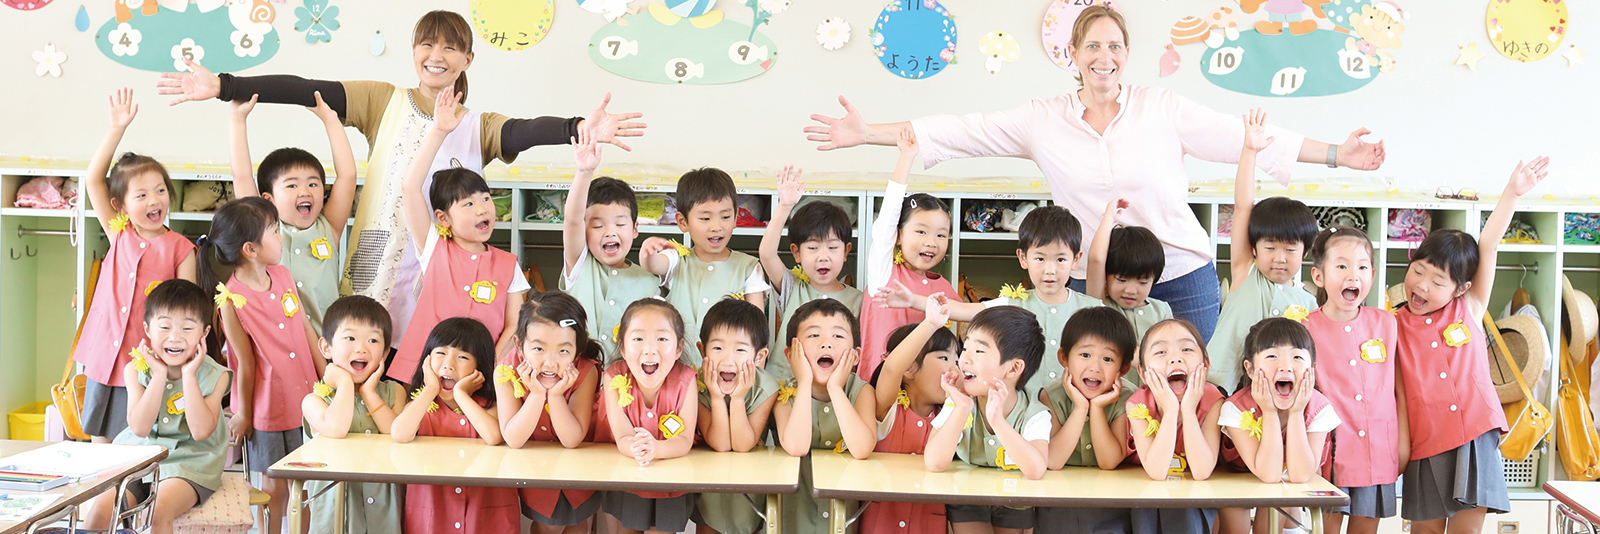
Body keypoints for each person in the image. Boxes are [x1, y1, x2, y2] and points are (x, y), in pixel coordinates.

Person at [803, 5, 1386, 341]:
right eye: (1093, 47)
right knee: (1105, 398)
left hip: (1181, 274)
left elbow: (1248, 137)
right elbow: (959, 130)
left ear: (1125, 54)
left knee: (1192, 395)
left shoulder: (1163, 107)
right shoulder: (1042, 119)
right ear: (1073, 55)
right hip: (1091, 277)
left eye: (1115, 47)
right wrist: (867, 132)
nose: (1104, 57)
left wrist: (1339, 153)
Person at [158, 10, 645, 348]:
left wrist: (577, 128)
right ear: (414, 50)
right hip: (375, 262)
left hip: (443, 273)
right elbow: (308, 89)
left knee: (428, 369)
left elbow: (526, 130)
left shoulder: (478, 125)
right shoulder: (382, 100)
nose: (437, 54)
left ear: (468, 60)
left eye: (451, 47)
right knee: (364, 360)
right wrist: (225, 85)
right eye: (427, 44)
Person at [1395, 157, 1548, 533]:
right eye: (1418, 271)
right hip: (1426, 441)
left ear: (1460, 288)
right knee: (1425, 531)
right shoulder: (1391, 324)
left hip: (1475, 436)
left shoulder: (1470, 307)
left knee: (1468, 530)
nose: (1422, 286)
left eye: (1437, 281)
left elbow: (1489, 245)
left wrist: (1512, 193)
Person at [73, 88, 198, 446]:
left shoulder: (181, 248)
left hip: (147, 359)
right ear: (121, 206)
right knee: (100, 441)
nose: (154, 200)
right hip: (105, 354)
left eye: (160, 191)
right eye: (141, 195)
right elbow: (93, 179)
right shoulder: (119, 233)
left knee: (139, 441)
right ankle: (101, 485)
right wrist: (117, 129)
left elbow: (188, 309)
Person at [877, 204, 1099, 396]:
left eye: (1060, 259)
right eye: (1040, 258)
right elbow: (962, 310)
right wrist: (912, 300)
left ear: (1076, 260)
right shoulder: (1012, 304)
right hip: (1022, 411)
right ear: (1023, 258)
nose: (1050, 270)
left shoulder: (1093, 310)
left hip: (1073, 407)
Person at [200, 197, 324, 534]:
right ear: (250, 249)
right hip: (268, 409)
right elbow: (245, 362)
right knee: (274, 487)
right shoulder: (231, 300)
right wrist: (243, 414)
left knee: (303, 484)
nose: (280, 237)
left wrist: (326, 376)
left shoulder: (282, 275)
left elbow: (306, 329)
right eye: (274, 231)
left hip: (306, 400)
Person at [388, 88, 530, 380]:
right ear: (443, 218)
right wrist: (439, 131)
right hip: (423, 373)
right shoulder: (434, 247)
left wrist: (489, 371)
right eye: (468, 204)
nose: (482, 209)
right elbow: (409, 188)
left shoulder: (508, 265)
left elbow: (514, 325)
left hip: (479, 378)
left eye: (486, 199)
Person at [81, 280, 230, 534]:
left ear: (204, 333)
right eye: (165, 327)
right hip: (139, 458)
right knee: (100, 512)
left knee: (158, 510)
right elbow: (139, 428)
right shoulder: (135, 369)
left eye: (187, 328)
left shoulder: (216, 375)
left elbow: (201, 431)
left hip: (191, 463)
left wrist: (189, 376)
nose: (175, 337)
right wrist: (159, 375)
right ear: (147, 329)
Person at [227, 91, 358, 334]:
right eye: (292, 185)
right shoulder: (262, 230)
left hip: (326, 344)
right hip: (280, 345)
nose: (305, 191)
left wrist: (330, 120)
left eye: (313, 183)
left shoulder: (328, 226)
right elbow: (242, 176)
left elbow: (348, 176)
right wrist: (238, 119)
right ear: (268, 199)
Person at [1209, 109, 1320, 390]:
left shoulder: (1309, 304)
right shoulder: (1245, 272)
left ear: (1305, 252)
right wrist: (1250, 152)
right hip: (1222, 390)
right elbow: (1243, 206)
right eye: (1270, 247)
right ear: (1254, 249)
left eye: (1290, 250)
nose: (1279, 258)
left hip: (1275, 398)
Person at [1302, 226, 1403, 533]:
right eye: (1342, 266)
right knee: (1327, 527)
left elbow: (1400, 390)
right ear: (1319, 276)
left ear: (1372, 275)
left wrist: (1405, 445)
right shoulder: (1304, 328)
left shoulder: (1387, 323)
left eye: (1361, 267)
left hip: (1378, 451)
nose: (1353, 275)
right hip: (1329, 453)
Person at [925, 306, 1051, 534]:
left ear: (1014, 368)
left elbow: (1035, 469)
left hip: (1016, 498)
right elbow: (934, 462)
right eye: (965, 348)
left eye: (979, 351)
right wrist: (961, 408)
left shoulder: (1035, 413)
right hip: (966, 494)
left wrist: (998, 421)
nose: (965, 359)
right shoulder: (959, 402)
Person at [393, 317, 517, 532]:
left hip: (485, 515)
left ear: (480, 366)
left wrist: (461, 395)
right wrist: (430, 389)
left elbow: (493, 436)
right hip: (434, 515)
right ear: (427, 360)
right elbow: (399, 433)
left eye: (462, 357)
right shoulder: (422, 405)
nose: (448, 364)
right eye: (440, 353)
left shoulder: (491, 405)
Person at [1218, 318, 1340, 534]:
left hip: (1286, 480)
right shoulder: (1236, 408)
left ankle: (1292, 520)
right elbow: (1269, 473)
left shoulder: (1319, 408)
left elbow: (1300, 475)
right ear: (1250, 368)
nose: (1285, 366)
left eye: (1297, 357)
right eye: (1272, 356)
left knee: (1282, 498)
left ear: (1312, 369)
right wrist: (1269, 411)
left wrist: (1296, 412)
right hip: (1237, 479)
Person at [640, 167, 770, 368]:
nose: (716, 226)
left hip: (730, 373)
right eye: (705, 218)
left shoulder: (748, 266)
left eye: (725, 217)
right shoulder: (678, 259)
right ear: (683, 222)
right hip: (679, 372)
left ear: (736, 218)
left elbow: (758, 331)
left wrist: (755, 376)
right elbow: (654, 265)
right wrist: (648, 251)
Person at [497, 291, 604, 534]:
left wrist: (555, 396)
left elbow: (572, 439)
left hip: (578, 469)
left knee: (579, 525)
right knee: (547, 527)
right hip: (536, 469)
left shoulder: (586, 371)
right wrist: (537, 395)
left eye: (563, 351)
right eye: (539, 349)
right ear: (519, 345)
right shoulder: (505, 371)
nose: (550, 363)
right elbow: (513, 438)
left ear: (577, 351)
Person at [858, 129, 960, 379]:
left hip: (926, 391)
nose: (931, 242)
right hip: (877, 385)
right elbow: (886, 220)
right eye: (921, 231)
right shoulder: (884, 273)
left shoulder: (944, 288)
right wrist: (907, 157)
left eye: (941, 235)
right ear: (898, 235)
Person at [299, 296, 404, 533]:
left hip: (382, 511)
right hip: (335, 513)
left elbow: (396, 433)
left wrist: (369, 392)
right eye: (350, 338)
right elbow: (336, 428)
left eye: (373, 340)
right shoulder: (314, 401)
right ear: (326, 347)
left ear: (385, 353)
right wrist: (345, 382)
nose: (361, 348)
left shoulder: (394, 392)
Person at [773, 299, 878, 534]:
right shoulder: (783, 394)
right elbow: (797, 446)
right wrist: (804, 382)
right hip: (794, 518)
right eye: (813, 335)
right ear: (790, 354)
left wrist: (835, 388)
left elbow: (862, 448)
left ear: (856, 355)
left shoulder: (862, 392)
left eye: (838, 336)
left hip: (843, 519)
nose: (826, 344)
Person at [595, 299, 700, 534]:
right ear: (622, 347)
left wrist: (657, 449)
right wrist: (637, 449)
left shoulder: (686, 380)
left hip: (672, 480)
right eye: (638, 339)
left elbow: (684, 440)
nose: (650, 349)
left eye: (662, 339)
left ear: (679, 348)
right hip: (627, 475)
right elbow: (623, 435)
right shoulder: (612, 377)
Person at [562, 123, 659, 365]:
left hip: (626, 381)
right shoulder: (580, 266)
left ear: (635, 229)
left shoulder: (650, 282)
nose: (609, 232)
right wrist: (584, 172)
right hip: (578, 378)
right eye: (597, 226)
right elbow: (572, 220)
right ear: (584, 232)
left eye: (620, 224)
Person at [1037, 307, 1137, 534]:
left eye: (1108, 359)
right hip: (1059, 500)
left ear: (1123, 368)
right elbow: (1053, 460)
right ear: (1064, 358)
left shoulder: (1127, 398)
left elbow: (1109, 462)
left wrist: (1098, 408)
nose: (1095, 367)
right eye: (1085, 355)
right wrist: (1081, 407)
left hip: (1112, 501)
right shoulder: (1050, 395)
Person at [759, 166, 863, 382]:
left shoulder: (859, 301)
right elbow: (767, 254)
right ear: (796, 253)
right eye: (813, 248)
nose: (823, 257)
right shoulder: (792, 288)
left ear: (846, 252)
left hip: (831, 392)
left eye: (832, 248)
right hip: (785, 390)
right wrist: (784, 206)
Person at [861, 312, 960, 533]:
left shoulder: (951, 417)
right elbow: (891, 368)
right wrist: (930, 324)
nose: (955, 370)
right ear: (909, 368)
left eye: (957, 361)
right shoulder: (888, 409)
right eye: (944, 358)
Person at [1126, 320, 1225, 534]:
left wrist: (1188, 410)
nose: (1175, 358)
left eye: (1187, 349)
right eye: (1161, 352)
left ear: (1206, 365)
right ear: (1143, 373)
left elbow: (1201, 471)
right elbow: (1157, 471)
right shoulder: (1137, 404)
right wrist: (1171, 411)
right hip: (1150, 496)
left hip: (1197, 498)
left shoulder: (1213, 400)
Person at [692, 299, 781, 534]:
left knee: (748, 524)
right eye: (717, 348)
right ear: (702, 350)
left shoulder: (767, 387)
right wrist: (715, 396)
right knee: (709, 522)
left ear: (759, 356)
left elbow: (742, 445)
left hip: (750, 484)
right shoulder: (695, 383)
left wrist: (739, 398)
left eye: (740, 350)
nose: (728, 360)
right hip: (709, 480)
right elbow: (720, 444)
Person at [1086, 200, 1172, 351]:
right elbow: (1096, 259)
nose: (1131, 290)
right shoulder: (1101, 307)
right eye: (1121, 280)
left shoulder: (1162, 311)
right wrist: (1109, 218)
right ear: (1105, 276)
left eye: (1143, 282)